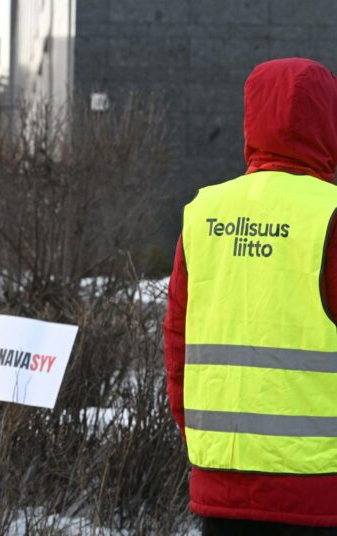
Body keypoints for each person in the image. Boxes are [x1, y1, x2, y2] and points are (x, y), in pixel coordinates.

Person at [164, 57, 337, 534]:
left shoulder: (204, 213)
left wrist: (203, 442)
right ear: (328, 120)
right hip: (320, 490)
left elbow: (177, 344)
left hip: (220, 488)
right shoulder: (331, 216)